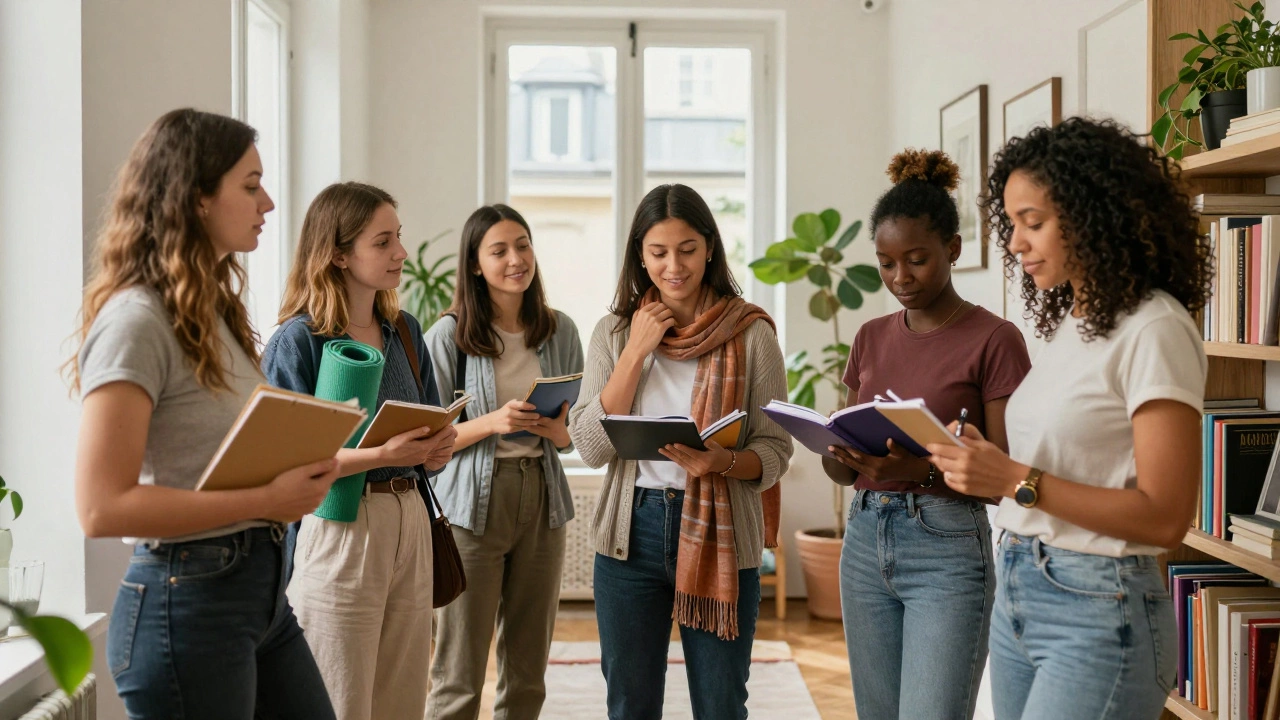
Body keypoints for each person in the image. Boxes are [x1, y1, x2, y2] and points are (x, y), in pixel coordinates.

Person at [928, 117, 1211, 720]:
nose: (1015, 243)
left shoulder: (1154, 329)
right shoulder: (1073, 327)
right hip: (1021, 589)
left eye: (1034, 223)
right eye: (1012, 224)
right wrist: (984, 458)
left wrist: (1012, 480)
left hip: (1099, 606)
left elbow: (1164, 516)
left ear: (1096, 215)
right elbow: (1058, 460)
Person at [72, 108, 341, 719]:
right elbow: (100, 507)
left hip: (260, 596)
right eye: (250, 185)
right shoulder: (136, 321)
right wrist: (265, 500)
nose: (268, 202)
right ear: (195, 199)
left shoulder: (213, 315)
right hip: (187, 605)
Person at [568, 183, 793, 720]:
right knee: (630, 704)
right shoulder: (615, 332)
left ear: (710, 247)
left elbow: (777, 449)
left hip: (722, 535)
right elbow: (591, 445)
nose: (674, 266)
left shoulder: (751, 334)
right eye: (659, 252)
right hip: (630, 536)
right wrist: (636, 352)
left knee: (720, 705)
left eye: (688, 249)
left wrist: (723, 462)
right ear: (640, 256)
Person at [823, 148, 1031, 720]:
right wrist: (836, 451)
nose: (900, 278)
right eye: (886, 264)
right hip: (864, 540)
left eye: (916, 260)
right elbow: (842, 462)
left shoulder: (995, 340)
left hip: (946, 546)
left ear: (953, 249)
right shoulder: (868, 336)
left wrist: (919, 471)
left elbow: (1005, 478)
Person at [261, 181, 457, 720]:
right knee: (339, 698)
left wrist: (434, 449)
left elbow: (431, 426)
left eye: (400, 237)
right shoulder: (298, 341)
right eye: (383, 241)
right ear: (339, 253)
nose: (401, 253)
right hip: (342, 526)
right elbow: (282, 462)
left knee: (402, 698)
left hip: (410, 517)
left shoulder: (405, 330)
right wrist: (381, 454)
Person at [425, 204, 583, 720]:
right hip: (471, 511)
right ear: (474, 264)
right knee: (458, 672)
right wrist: (494, 421)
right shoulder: (447, 337)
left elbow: (573, 434)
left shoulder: (560, 331)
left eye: (523, 245)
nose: (516, 259)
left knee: (528, 671)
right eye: (499, 250)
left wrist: (558, 431)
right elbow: (426, 439)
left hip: (541, 501)